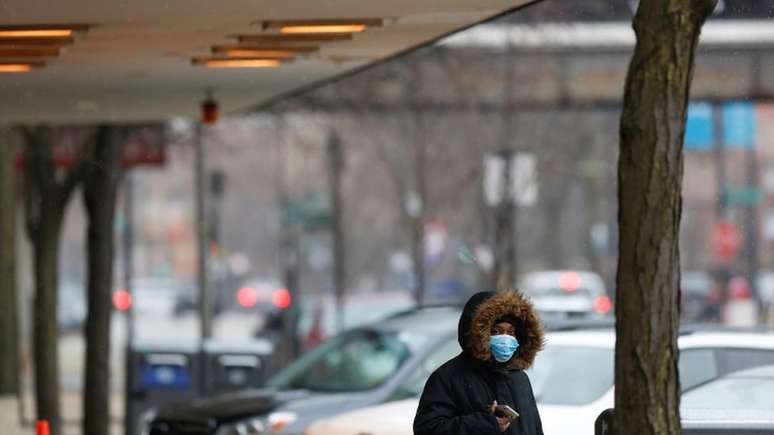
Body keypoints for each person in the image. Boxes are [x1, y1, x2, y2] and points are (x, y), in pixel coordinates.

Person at [413, 290, 545, 435]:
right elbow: (427, 430)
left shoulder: (519, 378)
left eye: (511, 332)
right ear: (477, 333)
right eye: (496, 331)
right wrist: (484, 423)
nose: (505, 338)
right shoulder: (447, 378)